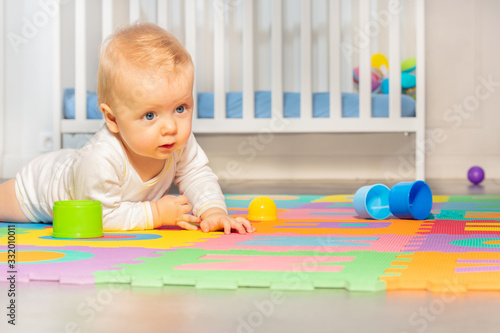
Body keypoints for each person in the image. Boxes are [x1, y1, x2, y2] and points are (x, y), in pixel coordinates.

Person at [0, 23, 255, 234]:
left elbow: (197, 175)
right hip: (39, 187)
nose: (170, 127)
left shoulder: (178, 142)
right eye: (150, 115)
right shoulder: (100, 159)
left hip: (78, 171)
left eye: (180, 109)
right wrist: (154, 213)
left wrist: (213, 211)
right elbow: (99, 217)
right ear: (113, 120)